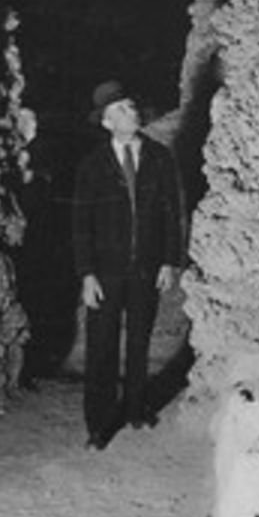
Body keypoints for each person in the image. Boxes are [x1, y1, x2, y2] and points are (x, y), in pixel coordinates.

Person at [72, 79, 186, 448]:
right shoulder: (93, 165)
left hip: (147, 266)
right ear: (106, 122)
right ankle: (98, 425)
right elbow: (81, 223)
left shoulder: (160, 158)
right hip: (106, 269)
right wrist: (86, 274)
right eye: (121, 109)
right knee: (101, 344)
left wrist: (170, 261)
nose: (131, 112)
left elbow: (173, 213)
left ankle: (136, 409)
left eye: (132, 106)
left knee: (139, 340)